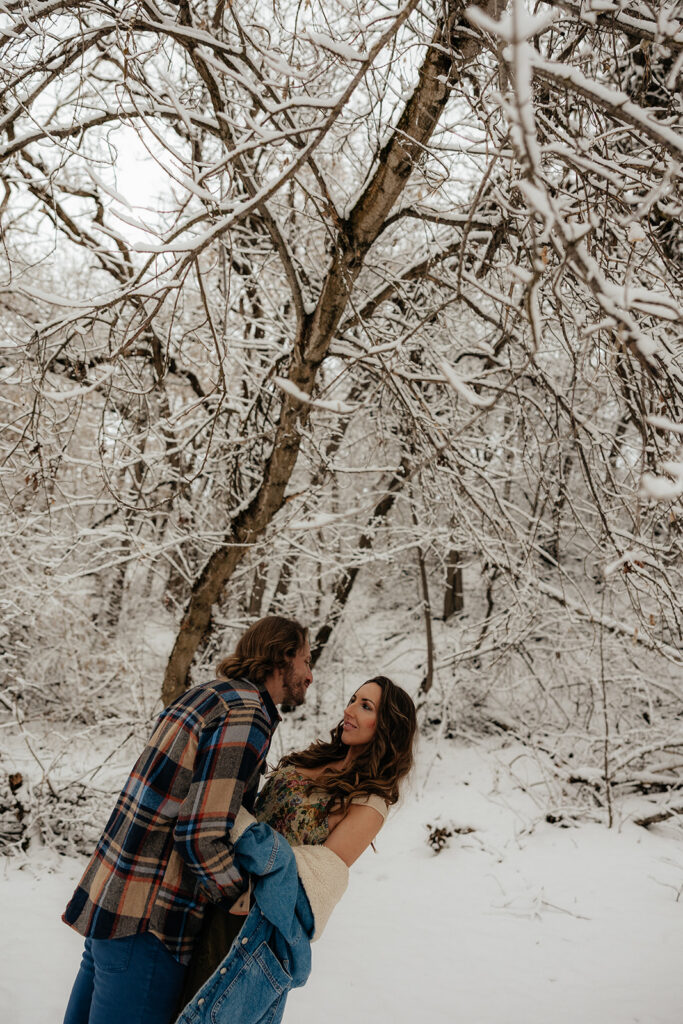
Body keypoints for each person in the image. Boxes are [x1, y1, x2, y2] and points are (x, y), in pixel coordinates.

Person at [61, 615, 313, 1024]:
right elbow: (201, 834)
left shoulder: (209, 694)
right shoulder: (247, 714)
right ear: (281, 657)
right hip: (152, 923)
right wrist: (238, 896)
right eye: (304, 659)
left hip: (113, 902)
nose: (309, 674)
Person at [177, 675, 417, 1023]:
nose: (349, 710)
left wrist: (236, 823)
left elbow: (313, 879)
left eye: (366, 706)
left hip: (256, 925)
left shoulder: (371, 801)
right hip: (216, 884)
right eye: (353, 699)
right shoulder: (315, 757)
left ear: (388, 725)